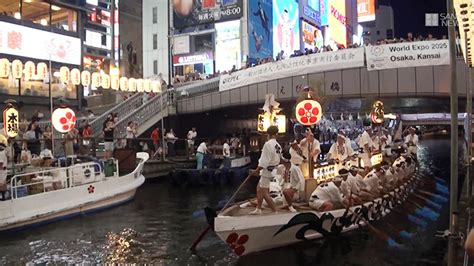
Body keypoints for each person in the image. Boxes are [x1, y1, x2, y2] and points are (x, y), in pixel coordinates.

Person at [249, 126, 281, 215]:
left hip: (267, 170)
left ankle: (275, 211)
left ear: (268, 134)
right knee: (259, 188)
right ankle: (258, 208)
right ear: (276, 134)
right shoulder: (278, 145)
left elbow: (264, 161)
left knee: (264, 191)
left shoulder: (268, 144)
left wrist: (256, 171)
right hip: (273, 169)